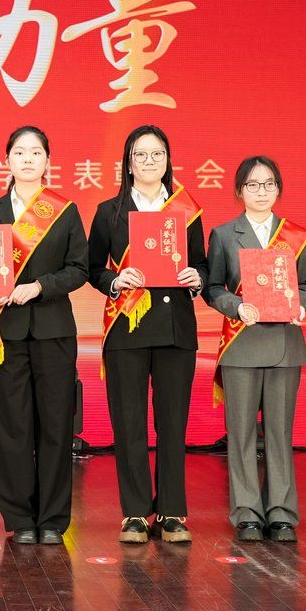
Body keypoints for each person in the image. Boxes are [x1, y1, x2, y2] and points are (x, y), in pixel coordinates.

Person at [87, 125, 206, 545]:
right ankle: (135, 512)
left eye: (157, 154)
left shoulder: (187, 209)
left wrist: (197, 277)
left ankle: (172, 511)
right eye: (141, 154)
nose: (149, 161)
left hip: (175, 329)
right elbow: (92, 268)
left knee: (172, 423)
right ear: (128, 163)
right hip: (127, 327)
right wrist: (114, 280)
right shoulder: (109, 211)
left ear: (168, 160)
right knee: (129, 422)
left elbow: (202, 264)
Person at [0, 126, 89, 546]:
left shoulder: (65, 211)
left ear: (47, 161)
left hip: (54, 330)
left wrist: (40, 286)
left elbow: (79, 269)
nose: (27, 159)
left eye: (36, 152)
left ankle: (53, 519)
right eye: (20, 152)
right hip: (7, 332)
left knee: (56, 424)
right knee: (12, 425)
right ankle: (20, 517)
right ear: (7, 160)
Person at [205, 156, 306, 543]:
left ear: (278, 189)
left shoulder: (295, 236)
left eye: (269, 184)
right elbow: (212, 288)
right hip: (242, 343)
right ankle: (247, 511)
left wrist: (301, 306)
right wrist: (236, 307)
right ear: (240, 191)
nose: (261, 191)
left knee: (280, 433)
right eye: (252, 185)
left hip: (285, 344)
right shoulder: (223, 235)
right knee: (241, 433)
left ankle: (282, 512)